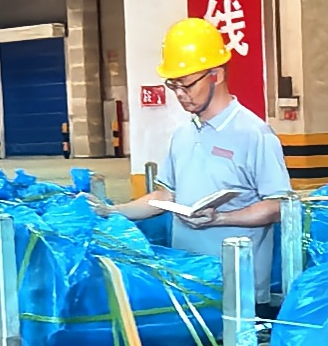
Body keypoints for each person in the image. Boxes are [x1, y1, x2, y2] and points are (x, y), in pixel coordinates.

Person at [98, 15, 292, 291]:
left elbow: (278, 206)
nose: (179, 93)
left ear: (216, 75)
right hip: (187, 282)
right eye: (173, 85)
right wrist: (110, 210)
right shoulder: (183, 134)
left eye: (186, 84)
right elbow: (164, 197)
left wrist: (222, 218)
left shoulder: (254, 134)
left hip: (237, 288)